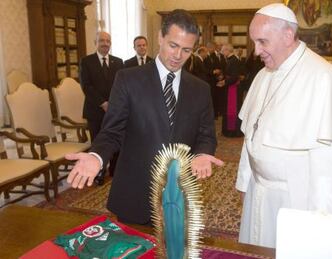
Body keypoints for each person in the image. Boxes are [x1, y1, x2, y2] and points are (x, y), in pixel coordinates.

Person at [66, 9, 224, 225]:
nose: (178, 56)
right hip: (135, 191)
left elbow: (206, 135)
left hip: (179, 193)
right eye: (173, 45)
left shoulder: (201, 89)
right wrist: (97, 156)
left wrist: (202, 154)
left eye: (186, 50)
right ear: (160, 37)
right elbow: (112, 131)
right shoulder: (128, 79)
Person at [235, 3, 332, 248]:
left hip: (297, 200)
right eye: (254, 42)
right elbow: (250, 136)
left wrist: (325, 227)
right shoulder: (264, 75)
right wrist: (245, 182)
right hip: (259, 193)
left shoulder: (326, 79)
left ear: (287, 36)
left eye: (262, 41)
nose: (256, 51)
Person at [79, 31, 124, 185]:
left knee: (116, 140)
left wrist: (115, 104)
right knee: (98, 142)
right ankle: (99, 172)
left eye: (108, 41)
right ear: (95, 42)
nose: (105, 43)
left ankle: (115, 171)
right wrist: (104, 103)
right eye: (102, 41)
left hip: (116, 110)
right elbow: (86, 86)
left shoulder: (118, 62)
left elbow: (121, 86)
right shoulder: (86, 61)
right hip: (95, 110)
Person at [217, 43, 243, 137]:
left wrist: (224, 82)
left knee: (232, 110)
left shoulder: (234, 60)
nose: (222, 52)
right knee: (227, 109)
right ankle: (227, 130)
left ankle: (232, 132)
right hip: (230, 87)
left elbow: (234, 76)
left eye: (223, 50)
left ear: (228, 50)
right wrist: (222, 78)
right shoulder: (230, 60)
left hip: (233, 89)